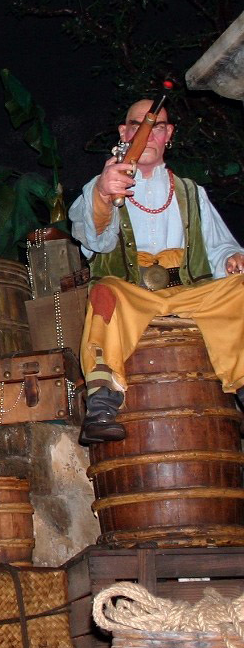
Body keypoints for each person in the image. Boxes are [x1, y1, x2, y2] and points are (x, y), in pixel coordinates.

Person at [70, 98, 244, 445]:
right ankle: (102, 402)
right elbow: (95, 241)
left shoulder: (191, 191)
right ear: (124, 132)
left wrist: (232, 258)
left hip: (190, 292)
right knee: (105, 294)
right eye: (138, 126)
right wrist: (103, 194)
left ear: (168, 135)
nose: (148, 135)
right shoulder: (101, 186)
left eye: (157, 127)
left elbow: (219, 246)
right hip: (133, 294)